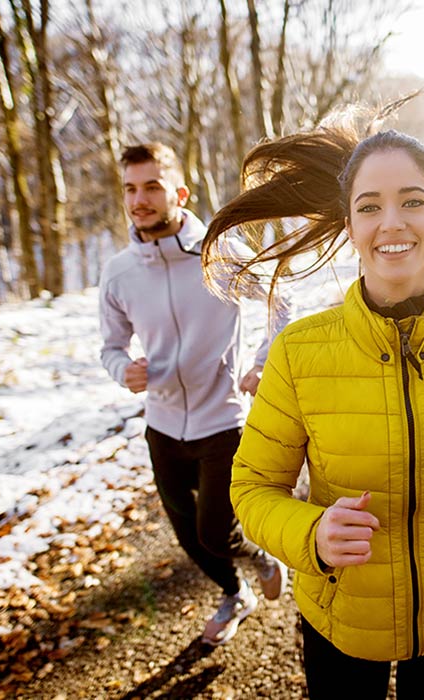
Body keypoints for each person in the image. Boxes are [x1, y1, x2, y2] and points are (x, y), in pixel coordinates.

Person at [201, 108, 424, 698]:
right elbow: (251, 488)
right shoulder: (298, 352)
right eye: (369, 205)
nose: (390, 221)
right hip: (340, 618)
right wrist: (312, 533)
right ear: (349, 224)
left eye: (412, 201)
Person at [99, 143, 289, 646]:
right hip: (161, 425)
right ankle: (234, 593)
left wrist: (262, 364)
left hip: (222, 420)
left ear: (179, 193)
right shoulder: (119, 272)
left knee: (214, 531)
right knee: (188, 536)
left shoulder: (219, 254)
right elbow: (111, 346)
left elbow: (280, 301)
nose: (140, 200)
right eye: (131, 189)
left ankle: (262, 558)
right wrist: (124, 370)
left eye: (152, 187)